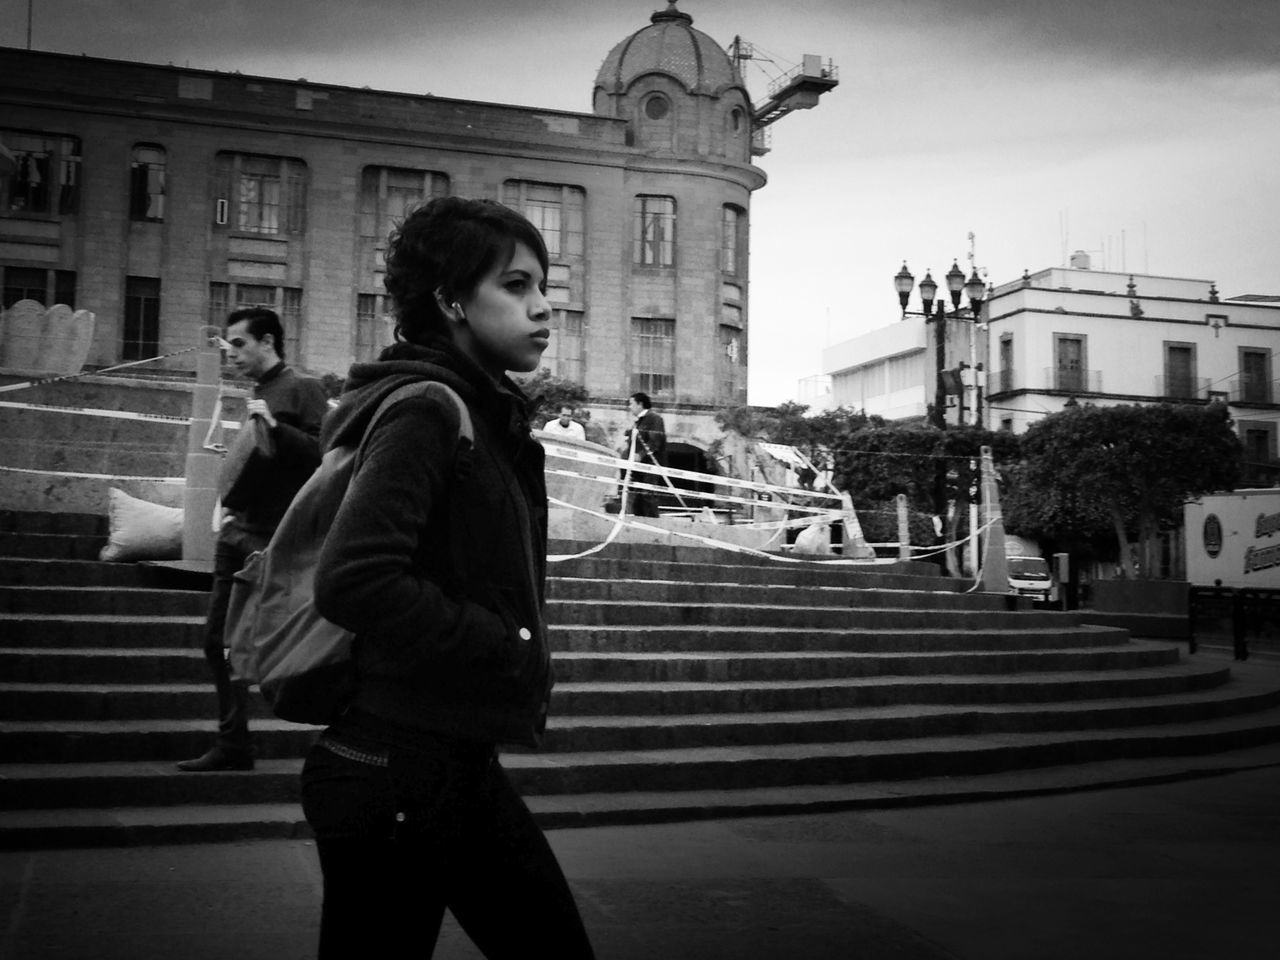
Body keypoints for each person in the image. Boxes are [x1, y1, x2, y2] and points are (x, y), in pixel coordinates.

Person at [300, 196, 595, 959]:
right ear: (452, 300)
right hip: (400, 765)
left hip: (441, 757)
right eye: (517, 287)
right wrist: (503, 641)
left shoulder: (476, 408)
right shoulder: (428, 409)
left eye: (543, 289)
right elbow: (355, 579)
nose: (543, 309)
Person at [178, 307, 329, 771]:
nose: (232, 355)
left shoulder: (302, 387)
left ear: (267, 342)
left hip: (277, 537)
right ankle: (234, 743)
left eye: (239, 344)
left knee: (287, 639)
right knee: (215, 639)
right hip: (238, 530)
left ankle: (338, 735)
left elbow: (328, 455)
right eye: (228, 346)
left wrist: (277, 430)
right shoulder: (257, 391)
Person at [619, 391, 666, 517]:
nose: (630, 407)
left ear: (640, 404)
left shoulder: (654, 419)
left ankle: (653, 524)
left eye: (631, 404)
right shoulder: (638, 422)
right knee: (636, 497)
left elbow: (655, 441)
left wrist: (641, 454)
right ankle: (639, 521)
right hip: (636, 467)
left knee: (648, 495)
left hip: (649, 466)